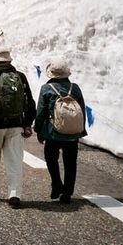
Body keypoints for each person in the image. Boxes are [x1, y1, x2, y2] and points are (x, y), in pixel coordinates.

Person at [0, 47, 36, 209]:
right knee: (15, 159)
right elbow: (29, 102)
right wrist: (27, 123)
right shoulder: (20, 77)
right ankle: (14, 194)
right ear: (9, 61)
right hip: (16, 124)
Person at [34, 59, 87, 204]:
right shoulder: (74, 88)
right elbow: (81, 109)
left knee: (51, 158)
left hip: (53, 132)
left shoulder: (47, 88)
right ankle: (67, 193)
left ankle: (56, 183)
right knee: (70, 163)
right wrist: (80, 130)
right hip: (72, 134)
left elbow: (41, 111)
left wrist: (38, 129)